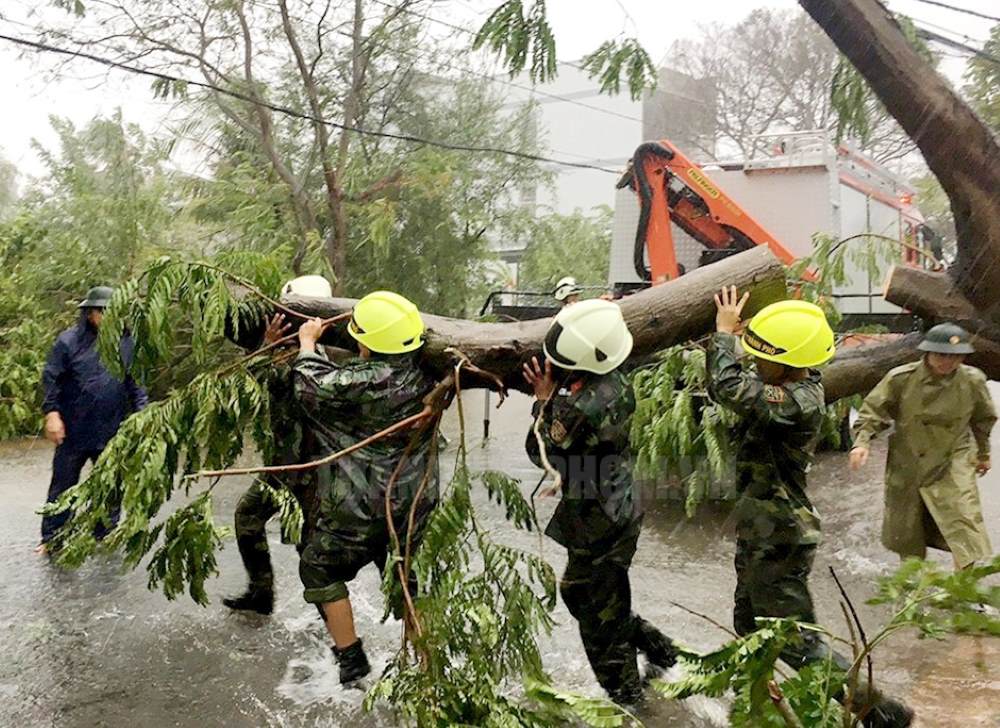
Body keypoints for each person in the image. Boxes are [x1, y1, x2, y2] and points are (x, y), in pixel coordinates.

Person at [707, 286, 912, 728]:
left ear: (789, 362)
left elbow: (728, 386)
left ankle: (880, 712)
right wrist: (750, 339)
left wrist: (723, 336)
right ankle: (762, 708)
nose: (757, 363)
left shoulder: (798, 402)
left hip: (780, 532)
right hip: (761, 527)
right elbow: (749, 380)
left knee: (789, 638)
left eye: (765, 358)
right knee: (750, 625)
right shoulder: (789, 382)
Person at [522, 299, 679, 706]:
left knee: (593, 611)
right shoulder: (619, 375)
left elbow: (537, 448)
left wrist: (544, 399)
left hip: (599, 518)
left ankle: (627, 698)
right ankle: (660, 650)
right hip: (619, 501)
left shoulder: (579, 406)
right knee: (590, 594)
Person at [293, 290, 438, 685]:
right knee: (409, 578)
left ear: (365, 343)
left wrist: (308, 344)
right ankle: (428, 667)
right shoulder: (431, 372)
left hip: (361, 506)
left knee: (317, 566)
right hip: (414, 503)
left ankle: (351, 657)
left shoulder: (362, 380)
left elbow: (308, 387)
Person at [223, 275, 335, 616]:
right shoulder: (303, 347)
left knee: (308, 549)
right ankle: (262, 593)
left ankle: (338, 632)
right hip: (285, 463)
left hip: (305, 467)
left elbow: (259, 387)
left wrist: (264, 349)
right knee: (248, 518)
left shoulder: (308, 354)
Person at [849, 323, 996, 570]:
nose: (947, 362)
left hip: (953, 458)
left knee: (963, 521)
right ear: (927, 352)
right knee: (908, 529)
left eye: (955, 356)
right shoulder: (901, 378)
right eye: (941, 355)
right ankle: (910, 583)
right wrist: (862, 442)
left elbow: (983, 419)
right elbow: (873, 411)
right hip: (909, 459)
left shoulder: (972, 380)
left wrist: (983, 453)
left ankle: (963, 589)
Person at [39, 286, 148, 552]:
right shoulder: (68, 342)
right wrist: (51, 414)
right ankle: (53, 539)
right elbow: (51, 379)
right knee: (63, 486)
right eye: (102, 311)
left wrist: (142, 417)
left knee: (110, 485)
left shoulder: (128, 343)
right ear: (90, 313)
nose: (108, 316)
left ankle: (104, 534)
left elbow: (138, 384)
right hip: (74, 428)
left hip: (113, 428)